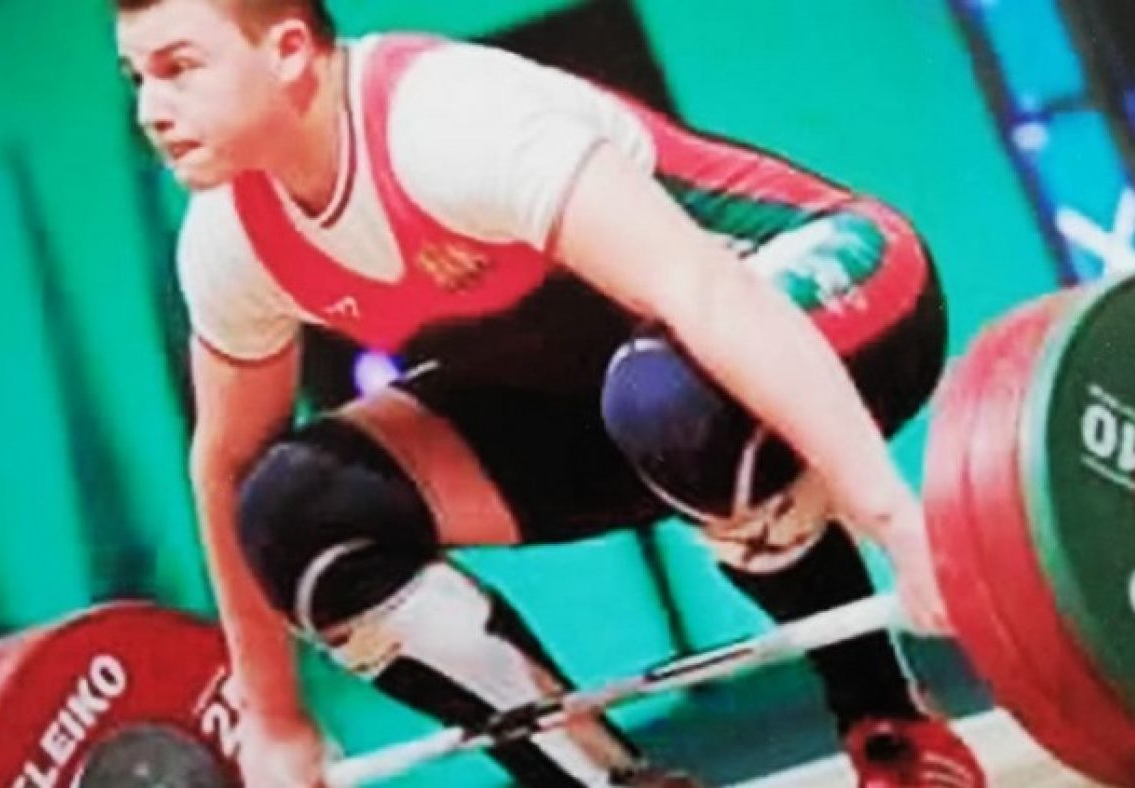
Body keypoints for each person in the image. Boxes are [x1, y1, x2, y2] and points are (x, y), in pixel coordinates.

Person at [115, 0, 986, 785]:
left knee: (667, 396)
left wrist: (895, 519)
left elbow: (704, 291)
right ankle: (613, 784)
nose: (151, 109)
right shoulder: (230, 241)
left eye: (179, 68)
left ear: (288, 52)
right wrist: (273, 718)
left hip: (829, 287)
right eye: (136, 78)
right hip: (609, 400)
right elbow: (228, 464)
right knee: (293, 508)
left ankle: (887, 719)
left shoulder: (441, 122)